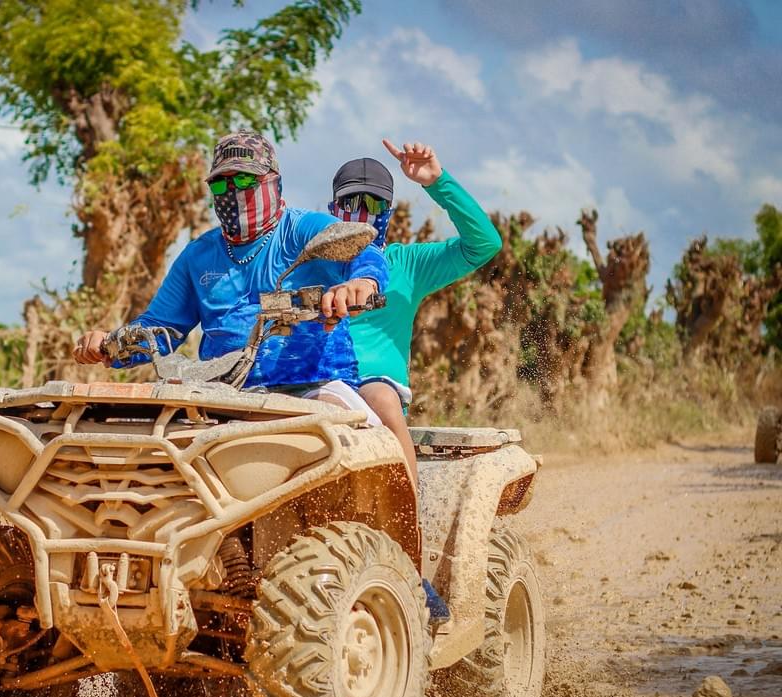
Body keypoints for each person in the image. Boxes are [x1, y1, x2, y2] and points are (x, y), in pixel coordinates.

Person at [74, 130, 389, 407]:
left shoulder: (304, 228)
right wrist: (111, 343)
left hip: (315, 388)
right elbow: (161, 328)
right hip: (224, 396)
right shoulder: (198, 256)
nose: (232, 191)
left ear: (274, 182)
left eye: (244, 180)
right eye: (221, 184)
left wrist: (363, 281)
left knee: (340, 432)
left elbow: (364, 252)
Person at [328, 140, 503, 487]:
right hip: (316, 381)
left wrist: (437, 182)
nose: (361, 211)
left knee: (380, 398)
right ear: (334, 209)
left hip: (373, 389)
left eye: (373, 202)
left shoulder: (407, 264)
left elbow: (485, 244)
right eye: (351, 202)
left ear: (388, 213)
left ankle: (411, 518)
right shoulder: (308, 263)